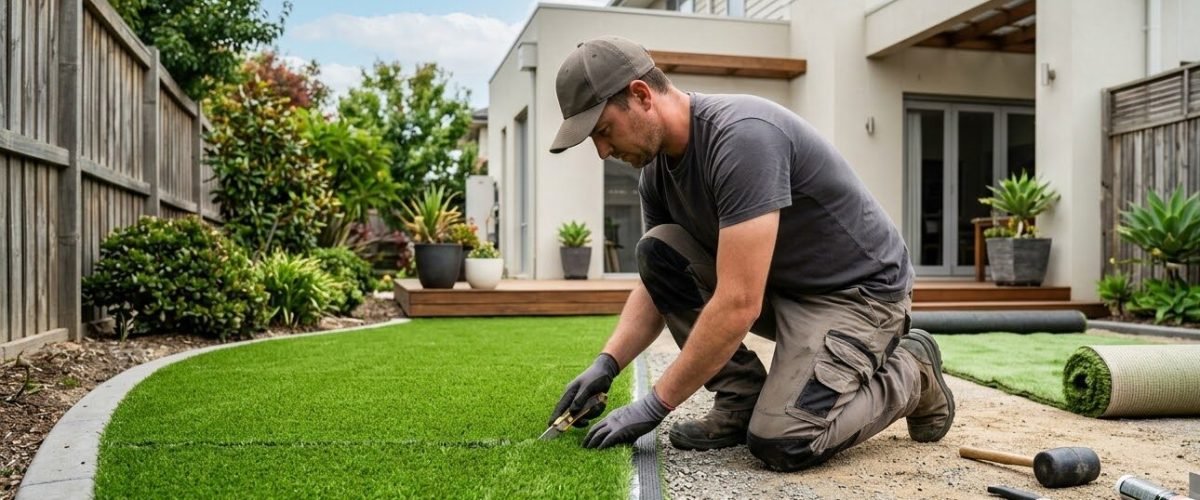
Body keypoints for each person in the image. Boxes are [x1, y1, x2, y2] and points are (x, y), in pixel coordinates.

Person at [545, 35, 954, 472]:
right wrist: (607, 364)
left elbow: (739, 302)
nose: (603, 151)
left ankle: (914, 370)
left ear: (641, 95)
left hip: (860, 298)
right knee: (658, 250)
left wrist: (654, 405)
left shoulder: (742, 138)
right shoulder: (657, 177)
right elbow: (659, 283)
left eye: (603, 131)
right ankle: (740, 397)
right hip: (781, 291)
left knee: (785, 441)